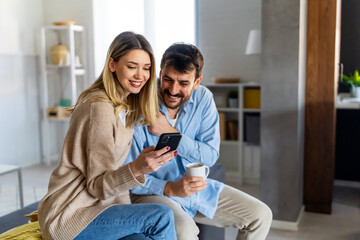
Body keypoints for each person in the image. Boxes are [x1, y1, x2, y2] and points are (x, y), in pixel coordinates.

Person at [125, 43, 273, 240]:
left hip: (194, 189)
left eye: (183, 83)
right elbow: (131, 179)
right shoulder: (139, 104)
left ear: (197, 82)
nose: (173, 90)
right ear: (160, 73)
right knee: (186, 230)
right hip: (152, 192)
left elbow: (210, 155)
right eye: (167, 79)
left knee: (261, 215)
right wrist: (171, 188)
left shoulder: (204, 99)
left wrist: (170, 132)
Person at [38, 32, 177, 240]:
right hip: (71, 216)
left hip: (100, 211)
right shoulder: (100, 108)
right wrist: (138, 168)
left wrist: (129, 217)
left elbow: (112, 182)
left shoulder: (124, 106)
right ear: (112, 64)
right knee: (161, 215)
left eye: (146, 68)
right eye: (132, 66)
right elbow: (97, 185)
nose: (141, 75)